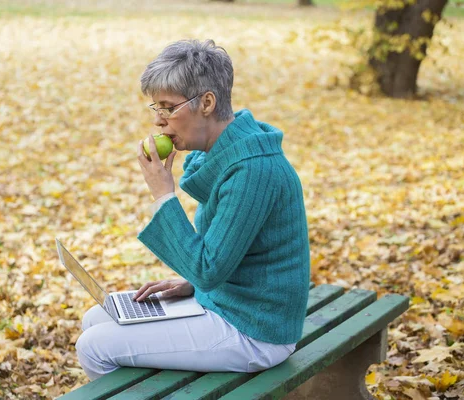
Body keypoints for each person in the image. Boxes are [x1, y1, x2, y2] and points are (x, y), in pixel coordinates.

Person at [75, 39, 311, 381]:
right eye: (155, 108)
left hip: (256, 330)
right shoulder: (232, 153)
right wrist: (190, 284)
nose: (159, 121)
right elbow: (226, 254)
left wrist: (163, 194)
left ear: (207, 103)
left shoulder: (252, 170)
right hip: (230, 302)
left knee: (94, 346)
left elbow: (208, 268)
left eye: (168, 107)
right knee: (96, 319)